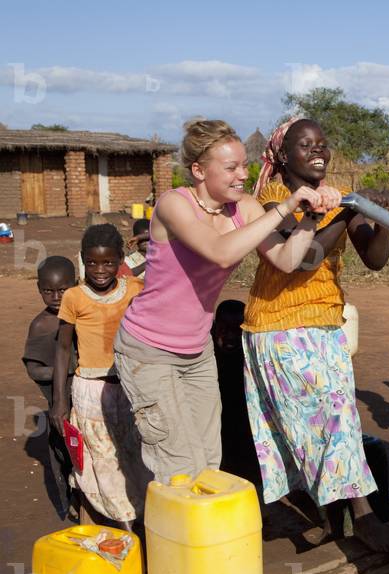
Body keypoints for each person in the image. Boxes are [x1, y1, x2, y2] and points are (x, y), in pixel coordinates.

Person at [113, 119, 341, 485]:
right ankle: (179, 539)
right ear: (199, 171)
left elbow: (285, 260)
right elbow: (219, 252)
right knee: (178, 465)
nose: (242, 175)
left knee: (208, 459)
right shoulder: (175, 204)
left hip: (196, 349)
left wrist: (311, 217)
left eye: (244, 166)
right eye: (231, 167)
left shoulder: (244, 208)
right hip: (149, 350)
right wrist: (284, 208)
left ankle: (204, 539)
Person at [243, 117, 389, 550]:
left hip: (322, 322)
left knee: (329, 420)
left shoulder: (334, 195)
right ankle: (364, 520)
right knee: (329, 421)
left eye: (323, 143)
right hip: (280, 324)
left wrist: (379, 217)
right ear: (282, 155)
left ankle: (332, 519)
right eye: (305, 144)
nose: (318, 150)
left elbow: (374, 259)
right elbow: (306, 258)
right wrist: (348, 208)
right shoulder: (273, 198)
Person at [52, 224, 150, 526]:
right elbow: (63, 350)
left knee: (135, 454)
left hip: (130, 387)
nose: (100, 270)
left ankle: (142, 517)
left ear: (120, 260)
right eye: (92, 262)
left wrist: (151, 240)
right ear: (83, 259)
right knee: (100, 459)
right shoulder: (73, 297)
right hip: (90, 391)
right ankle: (120, 521)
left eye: (108, 262)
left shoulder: (134, 289)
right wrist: (59, 401)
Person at [23, 256, 77, 519]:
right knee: (64, 454)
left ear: (75, 285)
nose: (56, 296)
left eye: (63, 290)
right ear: (39, 290)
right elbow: (33, 368)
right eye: (48, 290)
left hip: (88, 401)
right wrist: (65, 370)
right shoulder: (41, 325)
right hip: (59, 405)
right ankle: (69, 505)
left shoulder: (82, 314)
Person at [211, 300, 260, 491]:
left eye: (237, 330)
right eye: (224, 329)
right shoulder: (205, 357)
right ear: (214, 328)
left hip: (245, 429)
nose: (230, 336)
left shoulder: (252, 356)